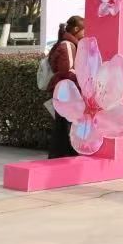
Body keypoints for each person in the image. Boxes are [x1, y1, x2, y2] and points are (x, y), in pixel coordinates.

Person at [46, 16, 84, 159]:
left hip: (62, 89)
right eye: (84, 30)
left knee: (61, 124)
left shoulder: (65, 43)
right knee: (67, 123)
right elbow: (67, 70)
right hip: (66, 90)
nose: (85, 33)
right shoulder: (68, 45)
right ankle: (69, 153)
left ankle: (58, 154)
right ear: (76, 29)